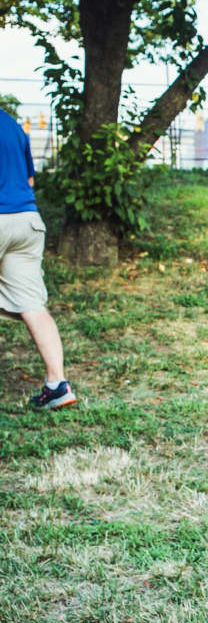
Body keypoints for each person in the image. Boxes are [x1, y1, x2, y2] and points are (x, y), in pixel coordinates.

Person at [0, 107, 76, 408]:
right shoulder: (12, 124)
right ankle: (57, 384)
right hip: (27, 221)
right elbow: (30, 180)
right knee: (32, 304)